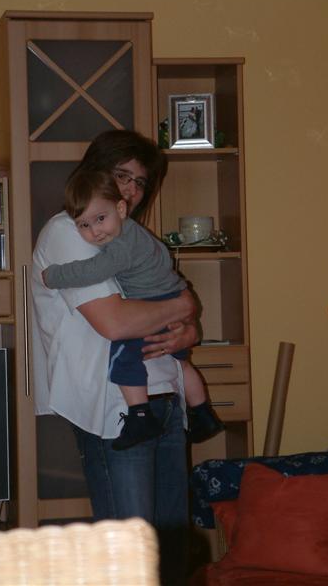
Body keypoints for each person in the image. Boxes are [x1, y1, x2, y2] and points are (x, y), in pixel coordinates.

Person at [32, 130, 199, 585]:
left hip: (165, 396)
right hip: (114, 410)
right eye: (121, 175)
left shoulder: (126, 237)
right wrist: (182, 306)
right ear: (93, 171)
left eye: (140, 182)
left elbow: (167, 302)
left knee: (170, 556)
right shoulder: (70, 229)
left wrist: (188, 322)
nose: (130, 189)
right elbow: (116, 323)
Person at [41, 169, 224, 450]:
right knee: (182, 362)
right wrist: (183, 307)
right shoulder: (138, 234)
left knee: (124, 359)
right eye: (84, 225)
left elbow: (93, 271)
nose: (95, 232)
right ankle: (203, 413)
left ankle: (139, 417)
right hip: (172, 294)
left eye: (100, 219)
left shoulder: (123, 244)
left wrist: (53, 276)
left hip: (154, 302)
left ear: (120, 209)